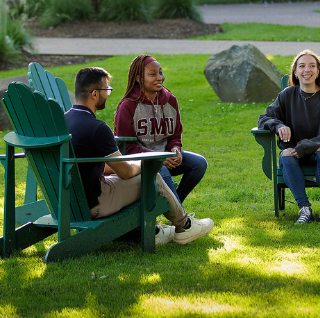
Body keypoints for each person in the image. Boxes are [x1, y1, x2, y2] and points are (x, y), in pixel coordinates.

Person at [64, 66, 214, 246]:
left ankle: (153, 229)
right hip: (95, 203)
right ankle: (184, 227)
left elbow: (89, 164)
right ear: (94, 94)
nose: (108, 94)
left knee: (137, 176)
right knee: (154, 176)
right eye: (107, 90)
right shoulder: (97, 128)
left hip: (68, 203)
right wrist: (147, 162)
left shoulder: (64, 122)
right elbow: (126, 173)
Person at [257, 50, 320, 224]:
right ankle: (305, 209)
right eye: (302, 66)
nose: (307, 70)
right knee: (286, 154)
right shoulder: (287, 96)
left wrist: (304, 147)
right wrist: (278, 126)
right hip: (294, 156)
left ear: (319, 71)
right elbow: (264, 118)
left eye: (312, 66)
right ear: (295, 72)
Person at [114, 55, 208, 204]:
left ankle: (175, 207)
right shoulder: (128, 106)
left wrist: (175, 150)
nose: (160, 78)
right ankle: (182, 220)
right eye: (153, 74)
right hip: (140, 162)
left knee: (199, 163)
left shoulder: (170, 101)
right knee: (160, 169)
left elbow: (175, 135)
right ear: (138, 78)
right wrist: (158, 158)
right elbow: (126, 148)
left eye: (161, 73)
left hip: (166, 157)